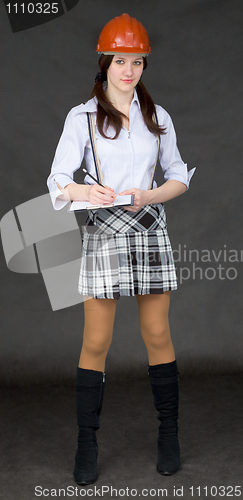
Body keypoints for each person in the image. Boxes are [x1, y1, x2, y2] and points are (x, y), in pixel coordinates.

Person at [47, 13, 195, 485]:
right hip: (105, 231)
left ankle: (168, 434)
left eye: (136, 61)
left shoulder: (158, 116)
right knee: (96, 341)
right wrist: (83, 193)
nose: (127, 70)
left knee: (157, 333)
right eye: (119, 60)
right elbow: (58, 179)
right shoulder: (82, 116)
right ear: (104, 62)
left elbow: (178, 177)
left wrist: (152, 195)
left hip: (149, 226)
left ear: (144, 64)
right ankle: (86, 444)